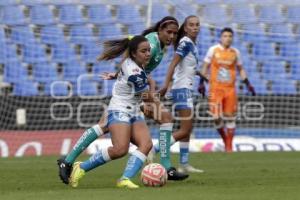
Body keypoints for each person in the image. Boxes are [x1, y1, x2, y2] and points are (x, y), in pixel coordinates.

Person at [57, 16, 188, 185]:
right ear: (160, 29)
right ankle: (77, 166)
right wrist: (151, 97)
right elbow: (144, 90)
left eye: (175, 33)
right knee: (122, 146)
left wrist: (123, 76)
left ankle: (122, 178)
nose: (148, 53)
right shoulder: (150, 47)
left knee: (143, 142)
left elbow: (141, 74)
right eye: (169, 32)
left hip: (131, 102)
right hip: (123, 104)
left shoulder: (147, 53)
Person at [68, 35, 153, 189]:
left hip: (133, 110)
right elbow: (149, 96)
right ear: (134, 53)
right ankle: (81, 167)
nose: (148, 54)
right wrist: (160, 95)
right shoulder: (135, 72)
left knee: (146, 144)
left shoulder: (132, 63)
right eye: (143, 51)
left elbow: (129, 81)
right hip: (120, 109)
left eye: (149, 50)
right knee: (120, 149)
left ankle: (125, 179)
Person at [154, 15, 204, 173]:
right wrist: (165, 85)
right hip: (181, 90)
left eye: (197, 25)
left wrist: (201, 75)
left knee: (187, 129)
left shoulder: (192, 44)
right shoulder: (185, 43)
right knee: (185, 129)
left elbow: (186, 68)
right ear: (186, 27)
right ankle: (152, 151)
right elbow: (173, 64)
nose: (195, 27)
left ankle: (184, 163)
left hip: (186, 88)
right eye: (192, 25)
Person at [198, 27, 256, 152]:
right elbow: (205, 67)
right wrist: (201, 82)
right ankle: (225, 140)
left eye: (230, 36)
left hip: (230, 89)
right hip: (215, 88)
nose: (227, 38)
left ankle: (229, 146)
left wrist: (248, 83)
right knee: (216, 116)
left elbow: (240, 69)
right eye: (225, 36)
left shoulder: (235, 52)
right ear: (220, 37)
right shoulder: (213, 50)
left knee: (230, 117)